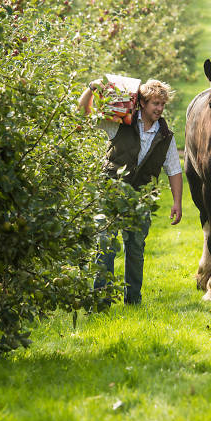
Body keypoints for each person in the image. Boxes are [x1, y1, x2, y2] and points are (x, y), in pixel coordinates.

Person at [78, 78, 183, 304]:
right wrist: (91, 87)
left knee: (135, 249)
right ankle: (100, 300)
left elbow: (174, 170)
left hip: (141, 197)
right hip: (111, 193)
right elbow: (83, 114)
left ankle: (133, 301)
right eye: (155, 103)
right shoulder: (120, 122)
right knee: (105, 245)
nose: (159, 109)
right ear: (142, 103)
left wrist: (177, 202)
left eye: (162, 104)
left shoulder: (166, 136)